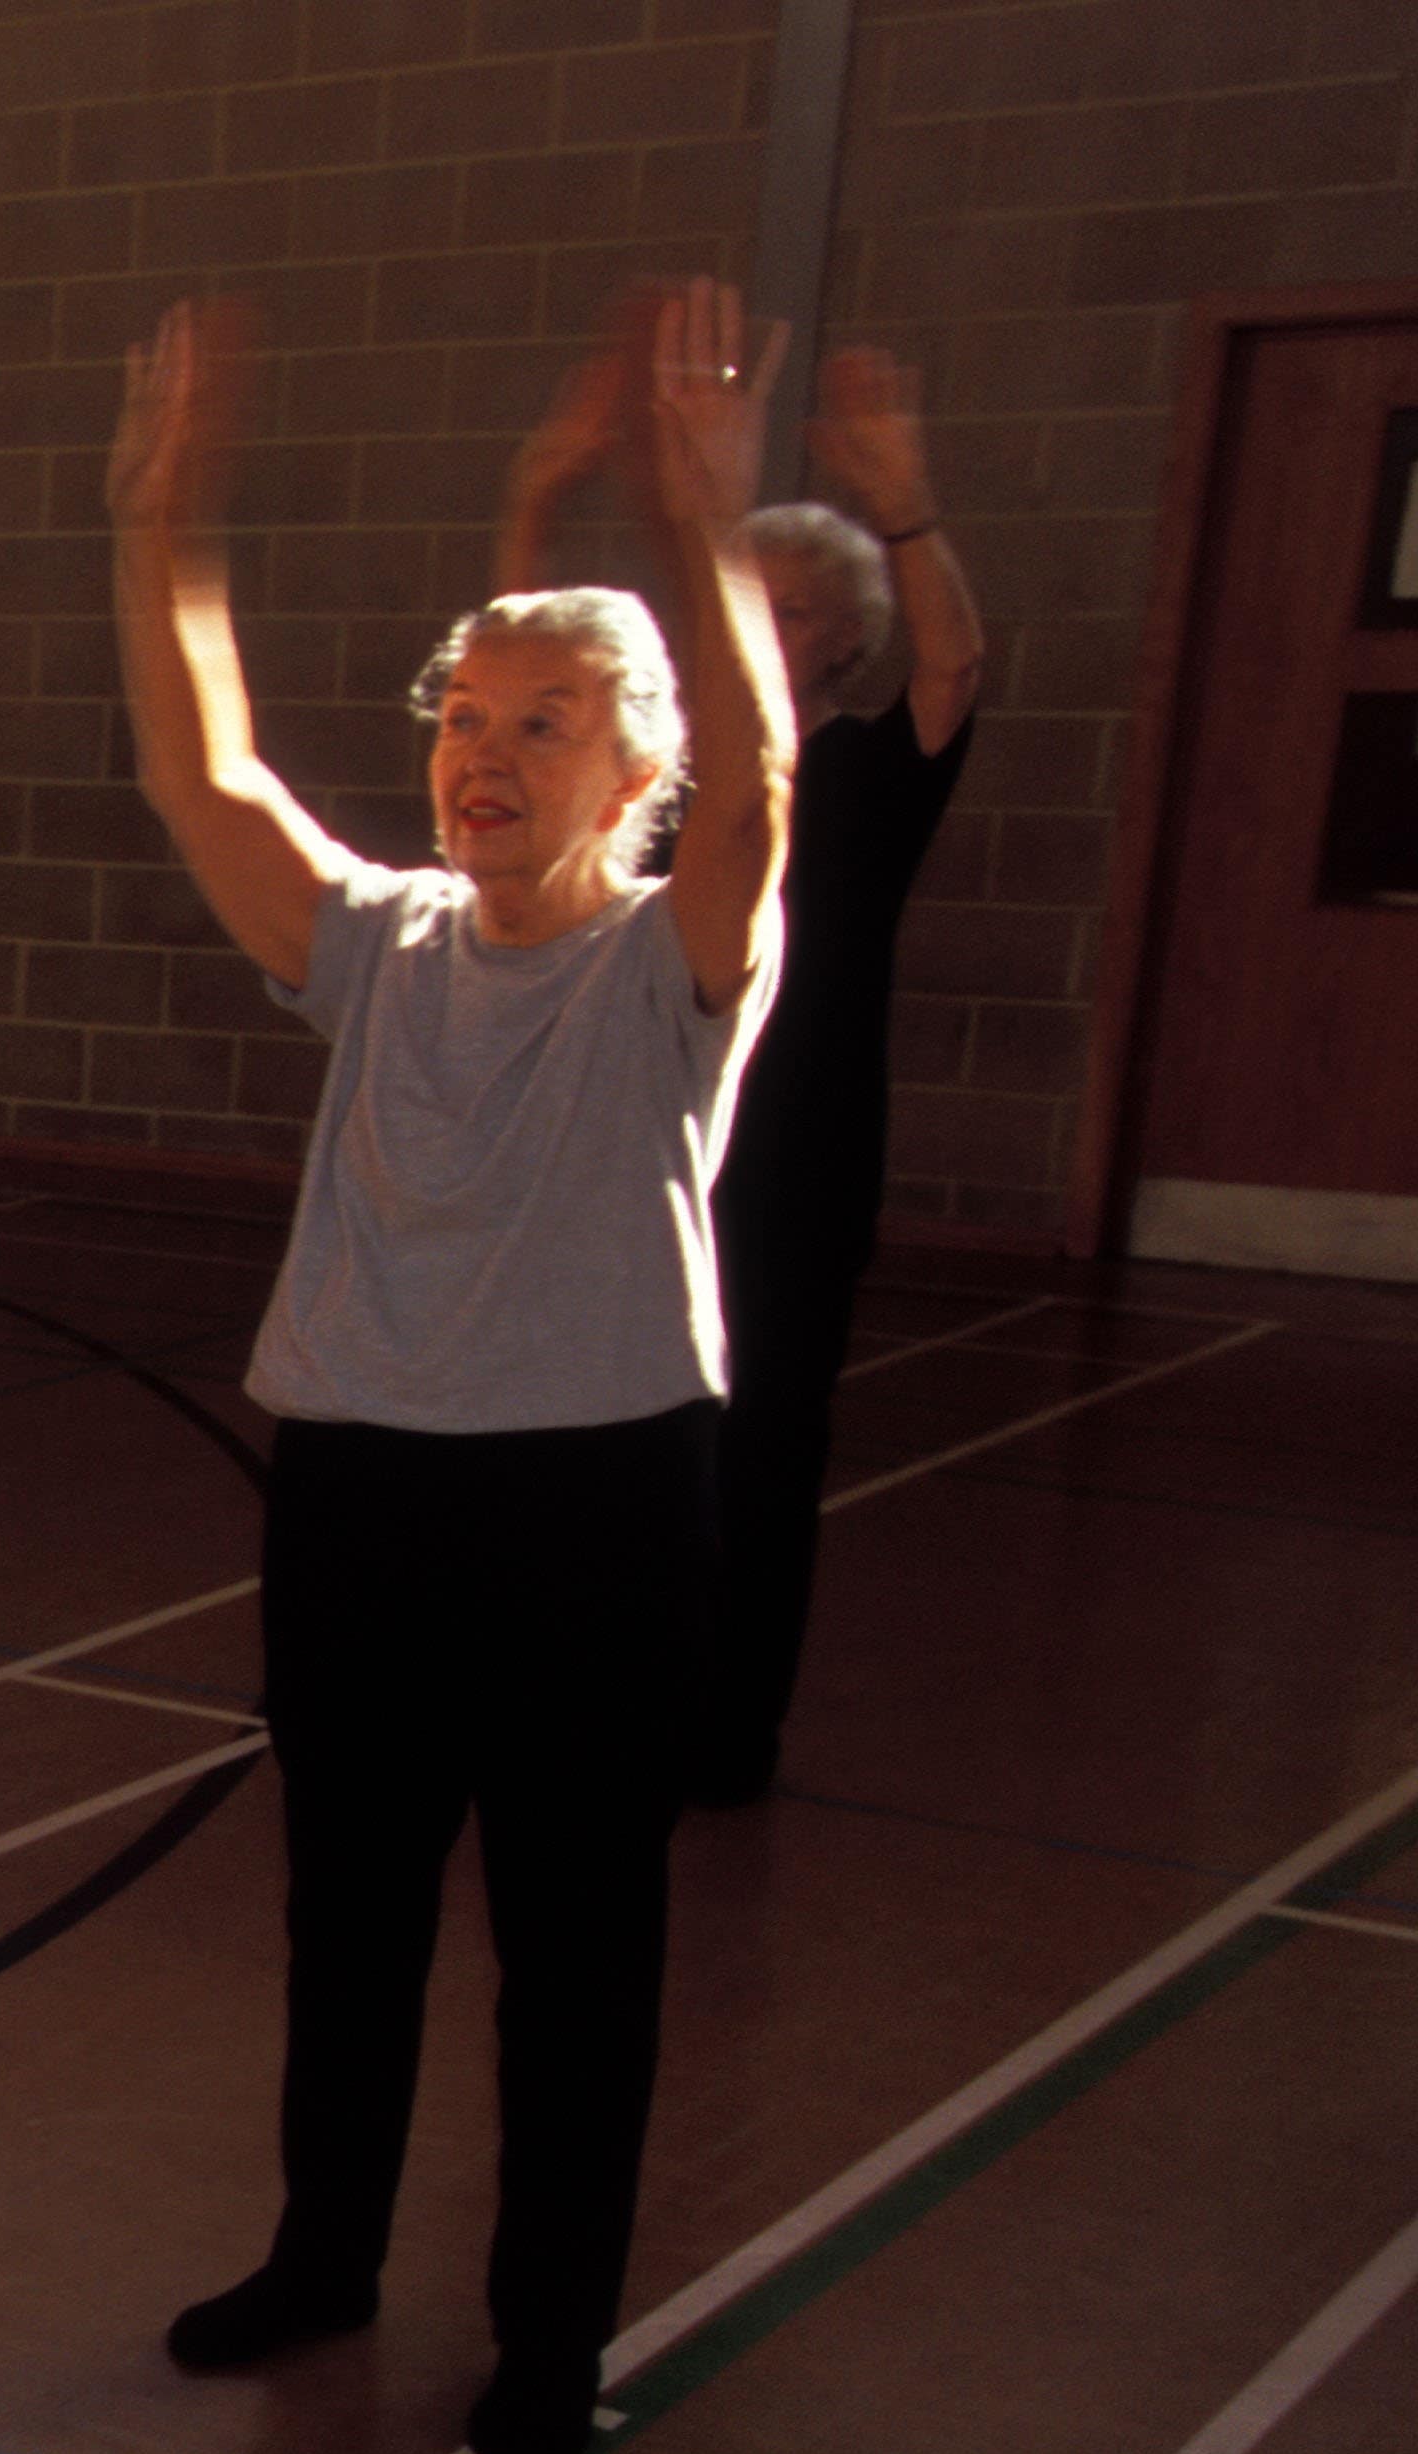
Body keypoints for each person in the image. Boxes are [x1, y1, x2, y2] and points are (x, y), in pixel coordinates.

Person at [116, 284, 795, 2454]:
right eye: (464, 723)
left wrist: (705, 527)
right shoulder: (380, 942)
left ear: (631, 769)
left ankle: (547, 2337)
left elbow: (769, 785)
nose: (486, 761)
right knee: (354, 1908)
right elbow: (199, 767)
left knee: (580, 1943)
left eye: (544, 729)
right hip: (366, 1492)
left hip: (599, 1501)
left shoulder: (678, 959)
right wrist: (163, 523)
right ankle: (326, 2253)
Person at [506, 334, 987, 1804]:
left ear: (837, 639)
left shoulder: (864, 769)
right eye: (737, 605)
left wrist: (903, 512)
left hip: (794, 1157)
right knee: (591, 1430)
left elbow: (955, 659)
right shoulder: (655, 779)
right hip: (632, 1134)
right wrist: (539, 484)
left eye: (787, 614)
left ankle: (721, 1734)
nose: (758, 631)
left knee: (761, 1447)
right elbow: (514, 650)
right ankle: (567, 1696)